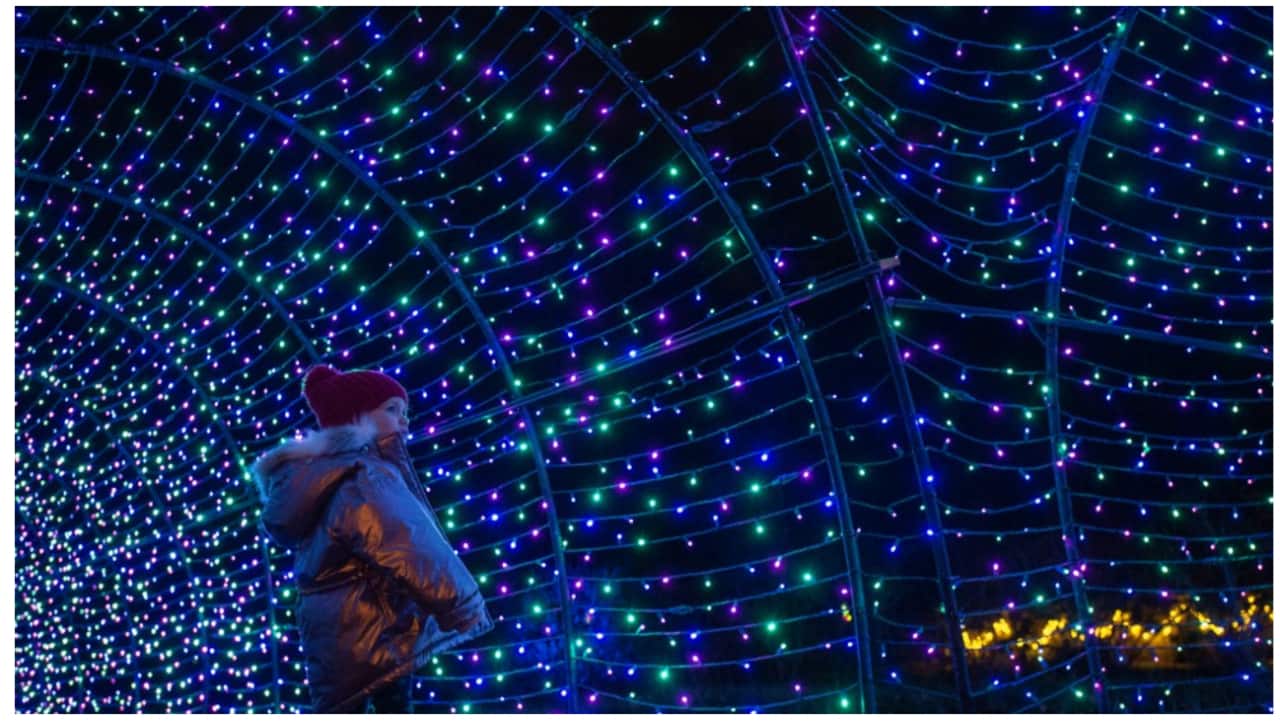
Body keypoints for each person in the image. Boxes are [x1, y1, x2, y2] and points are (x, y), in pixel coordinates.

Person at [251, 364, 494, 713]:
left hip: (336, 641)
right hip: (379, 631)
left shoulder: (314, 479)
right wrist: (463, 605)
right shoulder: (365, 476)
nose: (404, 422)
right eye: (393, 410)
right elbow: (406, 544)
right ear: (357, 417)